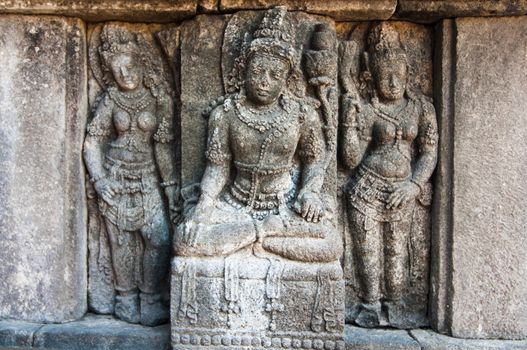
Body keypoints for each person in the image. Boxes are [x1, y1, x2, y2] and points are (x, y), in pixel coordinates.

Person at [175, 8, 342, 263]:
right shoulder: (225, 114)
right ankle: (263, 237)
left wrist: (309, 192)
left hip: (284, 207)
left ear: (287, 77)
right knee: (185, 241)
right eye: (257, 72)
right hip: (234, 206)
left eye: (275, 75)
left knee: (331, 245)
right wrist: (205, 205)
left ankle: (249, 240)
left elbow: (314, 160)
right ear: (244, 71)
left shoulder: (302, 114)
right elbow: (218, 169)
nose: (264, 81)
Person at [341, 22, 438, 327]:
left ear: (409, 72)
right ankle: (368, 305)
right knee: (367, 255)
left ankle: (396, 305)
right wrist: (349, 122)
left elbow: (429, 152)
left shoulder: (421, 107)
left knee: (396, 252)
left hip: (403, 191)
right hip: (365, 190)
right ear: (373, 75)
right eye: (385, 75)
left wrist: (414, 184)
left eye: (399, 73)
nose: (393, 81)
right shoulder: (369, 109)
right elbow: (351, 159)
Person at [83, 25, 177, 326]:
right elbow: (92, 141)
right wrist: (99, 180)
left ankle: (150, 297)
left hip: (148, 176)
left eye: (129, 65)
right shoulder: (111, 99)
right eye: (117, 69)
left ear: (141, 62)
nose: (125, 74)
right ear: (109, 72)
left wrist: (171, 185)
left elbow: (167, 144)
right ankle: (124, 299)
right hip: (115, 177)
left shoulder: (157, 96)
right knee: (120, 242)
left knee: (159, 238)